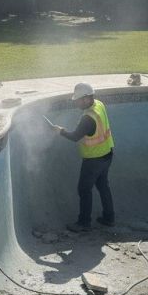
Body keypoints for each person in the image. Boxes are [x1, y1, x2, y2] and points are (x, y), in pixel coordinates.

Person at [52, 82, 115, 232]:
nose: (76, 102)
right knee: (103, 186)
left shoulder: (88, 118)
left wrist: (60, 131)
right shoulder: (99, 104)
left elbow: (74, 137)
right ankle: (109, 218)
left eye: (78, 100)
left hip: (93, 160)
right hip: (107, 154)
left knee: (84, 190)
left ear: (86, 98)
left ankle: (84, 223)